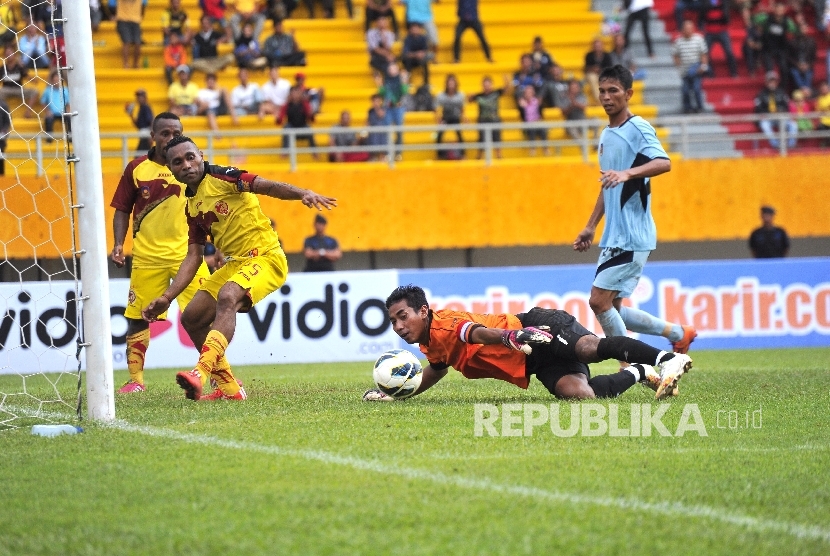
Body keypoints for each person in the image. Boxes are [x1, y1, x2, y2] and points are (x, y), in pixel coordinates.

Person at [142, 134, 336, 401]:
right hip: (235, 263)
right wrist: (167, 297)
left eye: (190, 157)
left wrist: (303, 193)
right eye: (177, 162)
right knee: (192, 317)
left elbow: (264, 186)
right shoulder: (191, 206)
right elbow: (193, 257)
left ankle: (201, 372)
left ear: (201, 156)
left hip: (265, 256)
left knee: (228, 296)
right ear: (171, 169)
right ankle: (230, 389)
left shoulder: (224, 177)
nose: (186, 165)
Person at [363, 285, 693, 402]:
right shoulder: (431, 345)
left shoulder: (445, 325)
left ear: (423, 310)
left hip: (535, 328)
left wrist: (510, 336)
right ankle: (640, 372)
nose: (399, 325)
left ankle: (667, 358)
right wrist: (396, 394)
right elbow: (434, 370)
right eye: (393, 321)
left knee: (590, 349)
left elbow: (474, 332)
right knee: (580, 394)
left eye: (403, 316)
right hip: (532, 360)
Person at [573, 65, 697, 362]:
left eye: (613, 90)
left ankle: (630, 364)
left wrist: (628, 173)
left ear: (628, 94)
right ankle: (679, 334)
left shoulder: (638, 127)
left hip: (632, 234)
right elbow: (608, 183)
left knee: (598, 301)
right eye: (602, 91)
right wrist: (591, 226)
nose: (606, 97)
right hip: (615, 234)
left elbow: (663, 161)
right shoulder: (606, 133)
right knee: (612, 307)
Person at [110, 113, 212, 393]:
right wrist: (119, 244)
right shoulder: (137, 168)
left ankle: (218, 376)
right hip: (147, 258)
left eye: (176, 132)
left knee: (204, 315)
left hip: (188, 256)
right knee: (136, 317)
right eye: (165, 133)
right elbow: (121, 209)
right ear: (153, 136)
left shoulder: (190, 167)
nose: (171, 138)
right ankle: (135, 381)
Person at [672, 20, 708, 114]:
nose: (688, 30)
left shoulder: (699, 39)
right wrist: (678, 64)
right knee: (685, 90)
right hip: (684, 70)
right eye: (686, 29)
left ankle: (700, 107)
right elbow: (675, 55)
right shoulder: (678, 41)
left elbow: (703, 54)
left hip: (696, 69)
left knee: (696, 89)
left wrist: (703, 66)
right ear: (682, 30)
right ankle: (687, 107)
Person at [753, 70, 797, 149]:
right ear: (766, 82)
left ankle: (791, 145)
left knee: (793, 125)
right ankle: (775, 144)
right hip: (768, 118)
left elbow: (787, 106)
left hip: (780, 117)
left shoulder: (782, 92)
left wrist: (781, 111)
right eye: (770, 81)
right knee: (765, 125)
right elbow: (757, 109)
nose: (772, 83)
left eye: (774, 81)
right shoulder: (761, 94)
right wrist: (767, 113)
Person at [469, 75, 507, 159]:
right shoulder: (479, 96)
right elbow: (469, 100)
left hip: (495, 119)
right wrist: (470, 96)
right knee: (481, 139)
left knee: (497, 137)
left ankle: (499, 155)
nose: (487, 87)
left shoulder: (496, 93)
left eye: (488, 84)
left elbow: (506, 90)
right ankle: (479, 156)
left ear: (492, 84)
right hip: (483, 120)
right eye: (485, 85)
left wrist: (506, 81)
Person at [378, 63, 409, 158]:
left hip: (398, 108)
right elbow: (382, 93)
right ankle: (388, 152)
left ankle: (398, 153)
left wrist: (404, 81)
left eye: (394, 68)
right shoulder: (386, 80)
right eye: (390, 68)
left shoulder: (400, 80)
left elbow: (405, 91)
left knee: (399, 130)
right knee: (387, 130)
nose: (391, 70)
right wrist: (379, 85)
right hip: (388, 108)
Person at [277, 85, 317, 157]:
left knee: (309, 129)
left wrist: (311, 115)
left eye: (297, 92)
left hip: (302, 126)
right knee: (286, 127)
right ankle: (285, 151)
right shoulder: (286, 105)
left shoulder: (305, 104)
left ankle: (314, 152)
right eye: (293, 93)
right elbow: (279, 120)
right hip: (291, 127)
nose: (295, 95)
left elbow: (311, 118)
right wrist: (278, 118)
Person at [702, 0, 738, 78]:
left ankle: (734, 73)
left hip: (722, 31)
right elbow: (703, 13)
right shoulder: (706, 2)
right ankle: (710, 74)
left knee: (729, 52)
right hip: (709, 31)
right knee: (705, 53)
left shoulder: (724, 2)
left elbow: (726, 15)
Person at [435, 73, 466, 159]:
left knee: (459, 134)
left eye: (452, 83)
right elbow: (436, 109)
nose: (451, 85)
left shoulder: (460, 95)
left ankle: (463, 154)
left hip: (456, 118)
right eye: (449, 83)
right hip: (446, 118)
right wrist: (438, 120)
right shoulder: (441, 95)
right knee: (439, 134)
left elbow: (462, 108)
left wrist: (464, 117)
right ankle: (439, 155)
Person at [517, 84, 548, 156]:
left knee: (543, 129)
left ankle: (545, 148)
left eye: (530, 92)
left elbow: (541, 113)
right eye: (527, 92)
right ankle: (532, 149)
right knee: (531, 129)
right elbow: (522, 116)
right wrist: (522, 107)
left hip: (537, 122)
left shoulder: (537, 101)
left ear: (533, 93)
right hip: (527, 123)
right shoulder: (522, 103)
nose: (528, 94)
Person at [40, 70, 70, 141]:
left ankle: (70, 139)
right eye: (55, 80)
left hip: (63, 112)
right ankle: (49, 140)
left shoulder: (65, 90)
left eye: (58, 80)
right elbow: (43, 102)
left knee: (69, 119)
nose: (57, 82)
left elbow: (68, 103)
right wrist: (47, 112)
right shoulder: (48, 90)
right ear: (52, 80)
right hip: (52, 113)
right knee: (48, 120)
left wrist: (68, 111)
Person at [584, 38, 614, 105]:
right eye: (596, 46)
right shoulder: (589, 55)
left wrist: (600, 70)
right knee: (592, 78)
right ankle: (599, 99)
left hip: (603, 74)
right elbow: (586, 68)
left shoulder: (607, 55)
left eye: (599, 46)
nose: (597, 47)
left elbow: (609, 68)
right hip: (592, 74)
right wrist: (593, 69)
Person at [116, 0, 143, 69]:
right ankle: (126, 64)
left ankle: (135, 64)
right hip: (123, 19)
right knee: (126, 42)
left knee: (138, 43)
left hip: (135, 21)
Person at [125, 88, 154, 152]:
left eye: (140, 96)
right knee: (141, 156)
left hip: (146, 135)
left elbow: (151, 121)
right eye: (137, 97)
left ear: (145, 97)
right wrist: (131, 115)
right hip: (142, 135)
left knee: (140, 156)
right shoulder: (141, 108)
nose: (138, 98)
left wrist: (151, 136)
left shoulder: (145, 107)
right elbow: (138, 125)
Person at [367, 93, 389, 160]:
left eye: (377, 101)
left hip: (382, 133)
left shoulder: (384, 109)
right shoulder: (370, 111)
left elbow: (381, 115)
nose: (375, 103)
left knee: (382, 147)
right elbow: (368, 122)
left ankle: (382, 158)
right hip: (373, 134)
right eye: (374, 101)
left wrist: (377, 108)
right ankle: (373, 158)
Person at [0, 97, 10, 175]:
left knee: (0, 157)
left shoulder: (3, 105)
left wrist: (4, 130)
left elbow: (8, 120)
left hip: (0, 137)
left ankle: (1, 176)